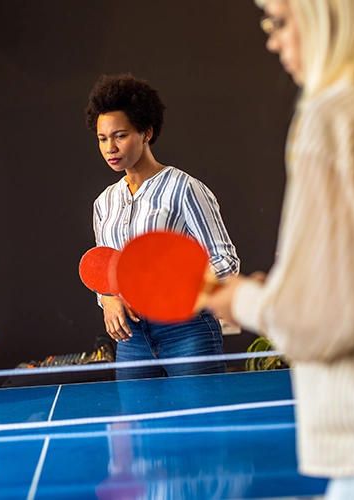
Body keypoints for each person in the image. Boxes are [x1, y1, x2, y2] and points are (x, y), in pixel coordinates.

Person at [206, 0, 354, 498]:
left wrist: (242, 301)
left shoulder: (335, 117)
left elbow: (328, 317)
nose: (273, 39)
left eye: (281, 21)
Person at [85, 74, 240, 379]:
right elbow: (105, 272)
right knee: (140, 426)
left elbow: (225, 262)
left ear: (146, 132)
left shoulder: (184, 188)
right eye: (103, 138)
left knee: (201, 425)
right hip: (132, 340)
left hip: (187, 333)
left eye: (120, 135)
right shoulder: (104, 203)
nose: (110, 148)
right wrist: (107, 300)